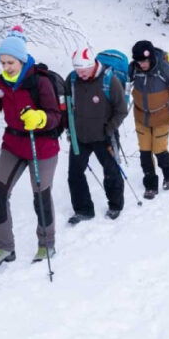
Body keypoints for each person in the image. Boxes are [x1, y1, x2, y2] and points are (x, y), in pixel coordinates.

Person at [0, 27, 62, 266]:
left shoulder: (40, 81)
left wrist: (40, 118)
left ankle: (46, 244)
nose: (6, 67)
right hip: (13, 145)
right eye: (2, 62)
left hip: (42, 145)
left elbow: (55, 115)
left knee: (40, 195)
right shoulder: (0, 83)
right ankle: (5, 247)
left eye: (10, 62)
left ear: (22, 59)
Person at [64, 47, 129, 224]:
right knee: (74, 174)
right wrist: (68, 127)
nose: (81, 75)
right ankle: (83, 210)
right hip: (80, 137)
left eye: (84, 71)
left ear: (93, 65)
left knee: (111, 171)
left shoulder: (110, 81)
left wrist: (109, 130)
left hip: (104, 136)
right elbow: (66, 106)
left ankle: (115, 205)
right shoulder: (71, 80)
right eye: (78, 71)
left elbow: (121, 111)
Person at [128, 40, 169, 199]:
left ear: (151, 58)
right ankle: (150, 184)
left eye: (145, 61)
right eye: (139, 61)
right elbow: (124, 85)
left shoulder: (164, 69)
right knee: (145, 152)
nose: (142, 65)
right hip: (141, 116)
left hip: (162, 116)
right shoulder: (133, 68)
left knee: (159, 149)